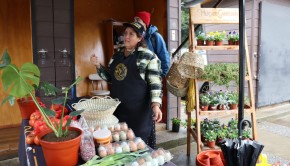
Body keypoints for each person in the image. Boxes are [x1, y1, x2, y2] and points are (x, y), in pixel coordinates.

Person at [90, 22, 163, 149]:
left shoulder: (147, 56)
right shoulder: (116, 56)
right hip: (119, 109)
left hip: (139, 113)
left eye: (131, 34)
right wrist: (98, 66)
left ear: (140, 38)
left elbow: (155, 82)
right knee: (121, 145)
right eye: (125, 33)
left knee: (139, 147)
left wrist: (156, 105)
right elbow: (110, 78)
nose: (126, 37)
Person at [134, 11, 170, 78]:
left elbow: (164, 59)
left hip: (152, 77)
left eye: (138, 19)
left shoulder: (156, 37)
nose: (135, 22)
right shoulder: (135, 36)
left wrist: (159, 77)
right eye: (134, 19)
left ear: (145, 23)